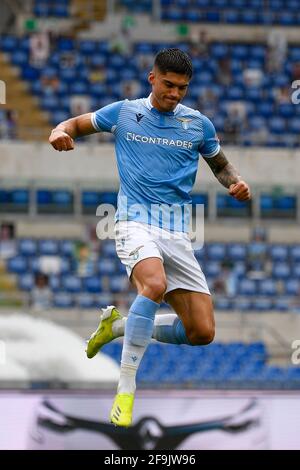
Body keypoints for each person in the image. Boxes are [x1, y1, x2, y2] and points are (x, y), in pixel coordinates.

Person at [49, 48, 251, 427]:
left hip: (178, 231)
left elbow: (221, 167)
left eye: (183, 88)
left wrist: (235, 184)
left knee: (202, 332)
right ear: (152, 78)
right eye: (169, 85)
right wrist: (59, 131)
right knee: (153, 285)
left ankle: (118, 327)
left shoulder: (198, 125)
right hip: (132, 222)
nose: (175, 94)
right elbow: (75, 124)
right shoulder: (124, 113)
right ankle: (125, 387)